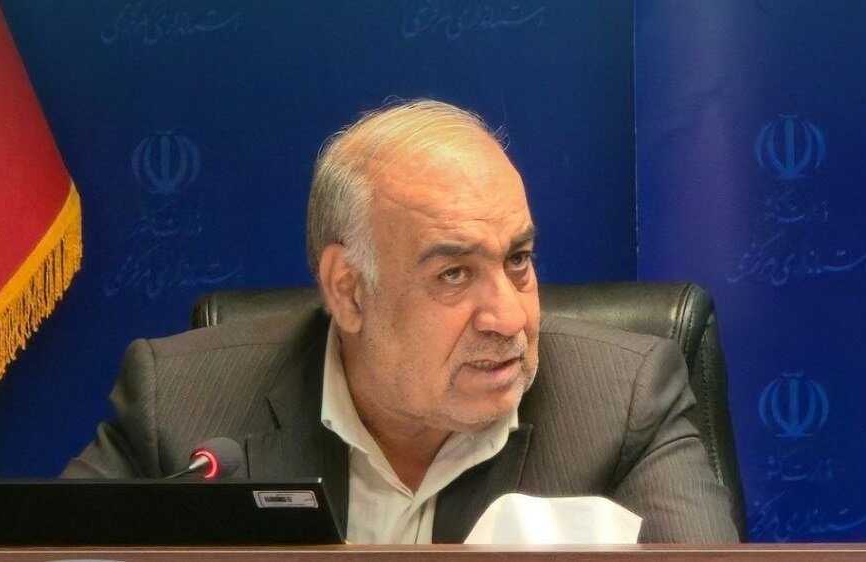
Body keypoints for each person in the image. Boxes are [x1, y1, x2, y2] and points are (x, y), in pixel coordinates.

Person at [63, 99, 739, 544]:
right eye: (454, 274)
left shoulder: (622, 402)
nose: (508, 317)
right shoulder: (183, 407)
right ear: (349, 291)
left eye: (518, 260)